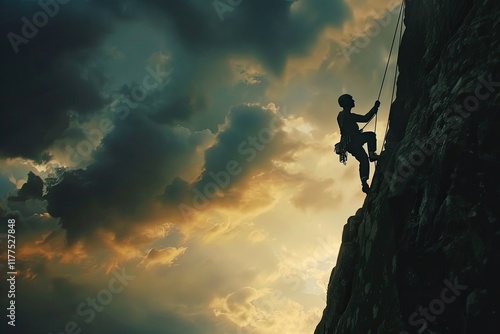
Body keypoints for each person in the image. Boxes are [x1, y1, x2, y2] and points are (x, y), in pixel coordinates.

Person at [337, 94, 380, 193]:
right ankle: (372, 154)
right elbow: (365, 118)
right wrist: (375, 108)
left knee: (363, 159)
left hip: (348, 142)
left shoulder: (341, 115)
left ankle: (364, 183)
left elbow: (346, 128)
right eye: (351, 100)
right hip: (353, 139)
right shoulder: (347, 115)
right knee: (370, 136)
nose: (353, 101)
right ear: (347, 102)